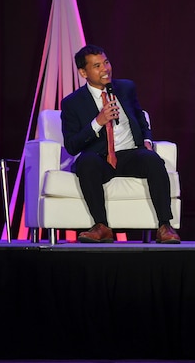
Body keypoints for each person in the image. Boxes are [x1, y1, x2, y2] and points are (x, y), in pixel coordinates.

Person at [61, 44, 180, 244]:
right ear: (83, 72)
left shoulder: (126, 88)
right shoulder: (72, 103)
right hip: (98, 158)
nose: (105, 69)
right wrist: (98, 122)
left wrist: (148, 140)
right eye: (97, 66)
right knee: (86, 163)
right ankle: (101, 226)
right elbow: (72, 145)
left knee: (152, 160)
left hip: (129, 154)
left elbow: (141, 118)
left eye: (106, 62)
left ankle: (165, 226)